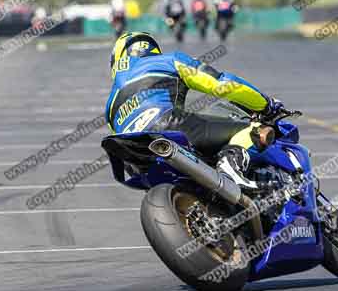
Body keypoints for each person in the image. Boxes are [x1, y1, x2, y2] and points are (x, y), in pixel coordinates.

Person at [105, 31, 284, 188]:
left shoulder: (110, 105)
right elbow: (222, 84)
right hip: (168, 126)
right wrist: (266, 105)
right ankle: (231, 165)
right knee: (253, 130)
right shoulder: (168, 60)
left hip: (136, 155)